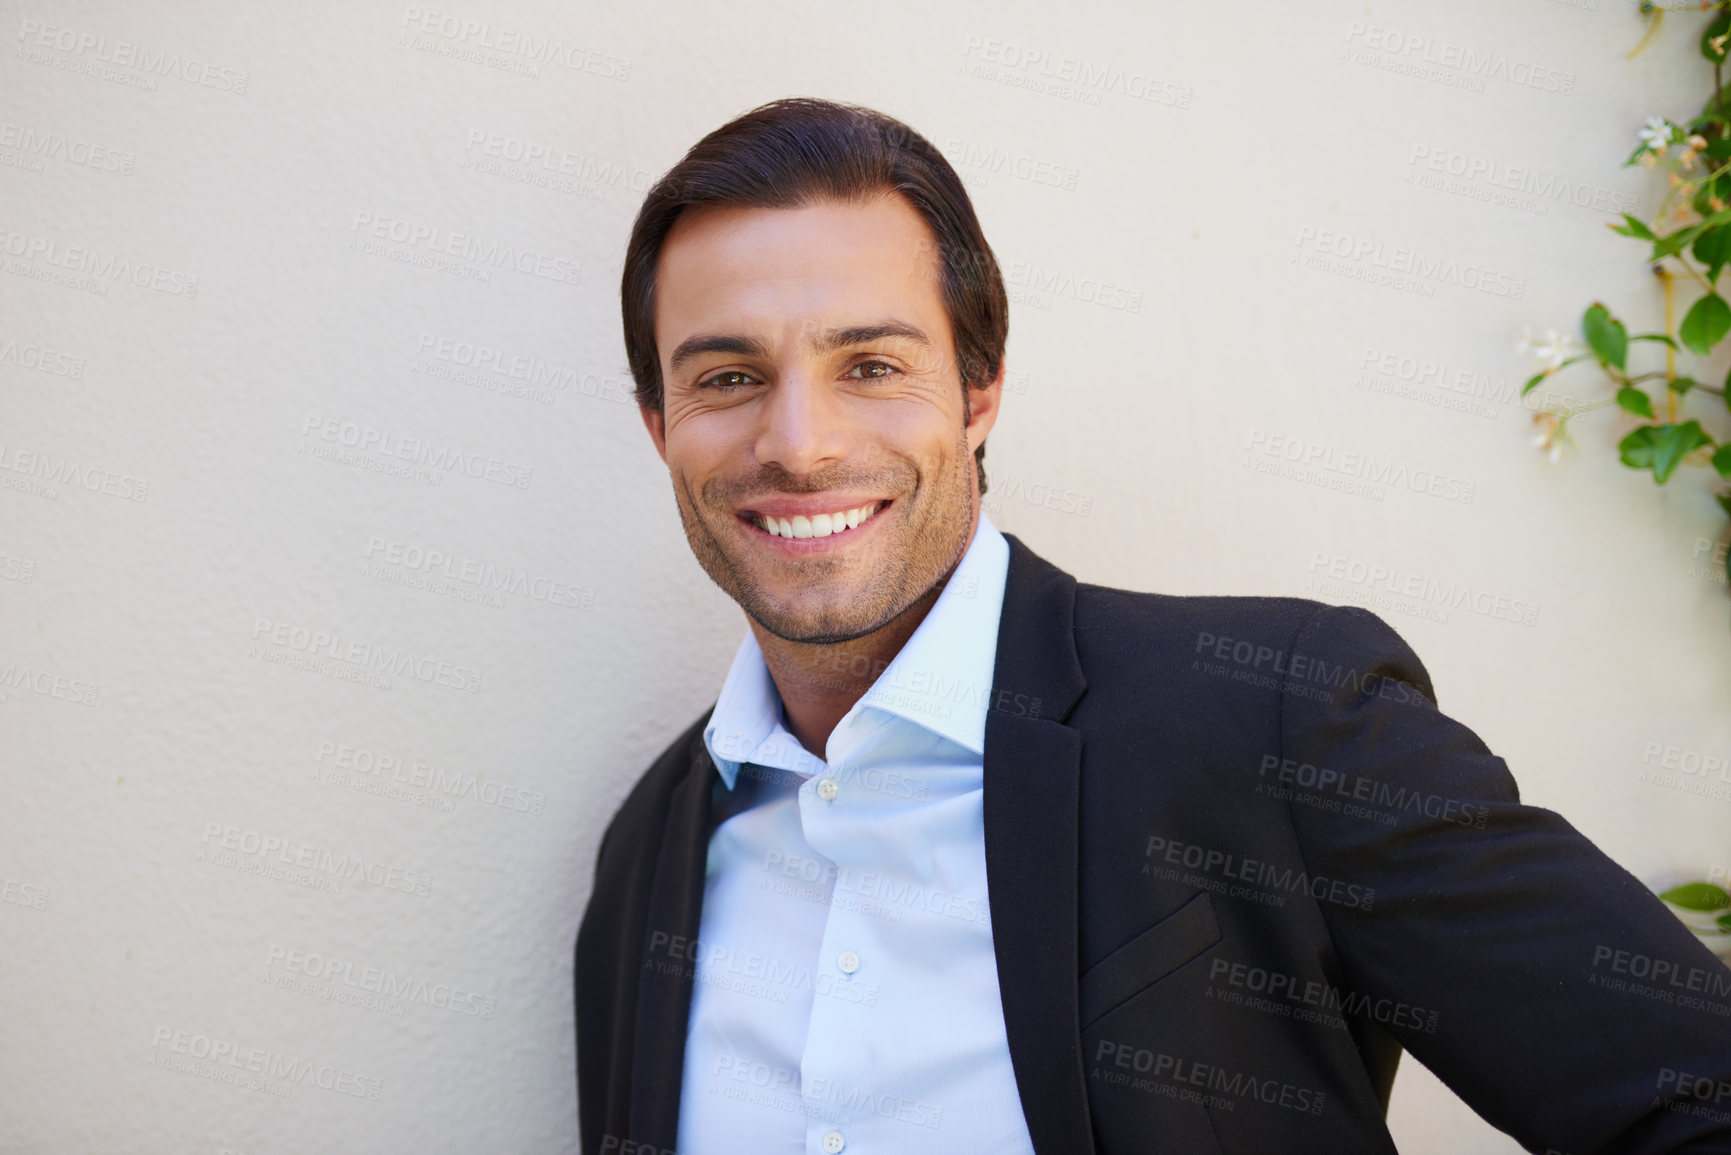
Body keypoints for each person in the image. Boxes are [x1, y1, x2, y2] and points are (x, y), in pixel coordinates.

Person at [575, 96, 1731, 1155]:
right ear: (656, 425)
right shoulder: (647, 857)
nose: (800, 443)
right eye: (727, 378)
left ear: (979, 396)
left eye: (871, 364)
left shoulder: (1279, 718)